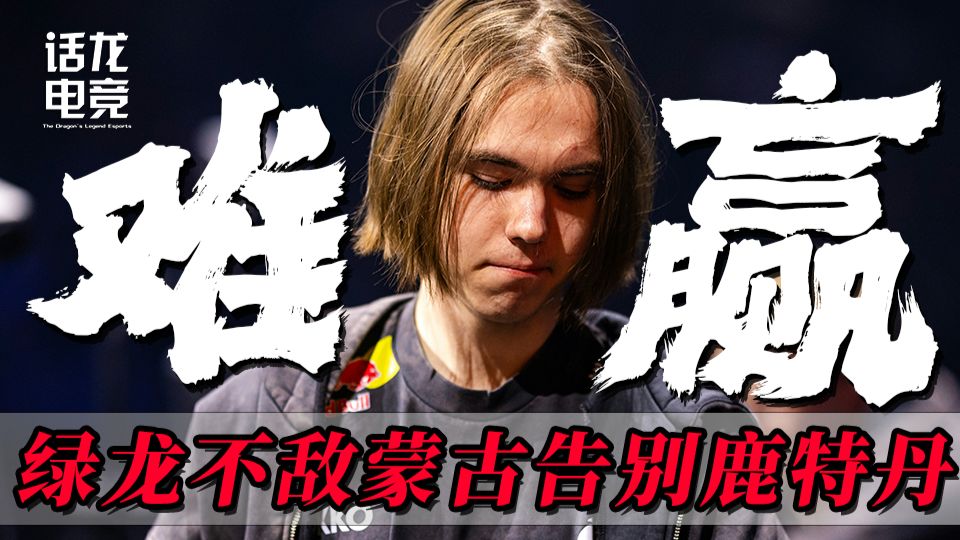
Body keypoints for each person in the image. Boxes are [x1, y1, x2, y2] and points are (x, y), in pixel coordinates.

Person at [150, 0, 782, 538]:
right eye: (492, 178)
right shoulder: (273, 411)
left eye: (572, 187)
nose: (532, 224)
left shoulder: (686, 440)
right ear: (414, 171)